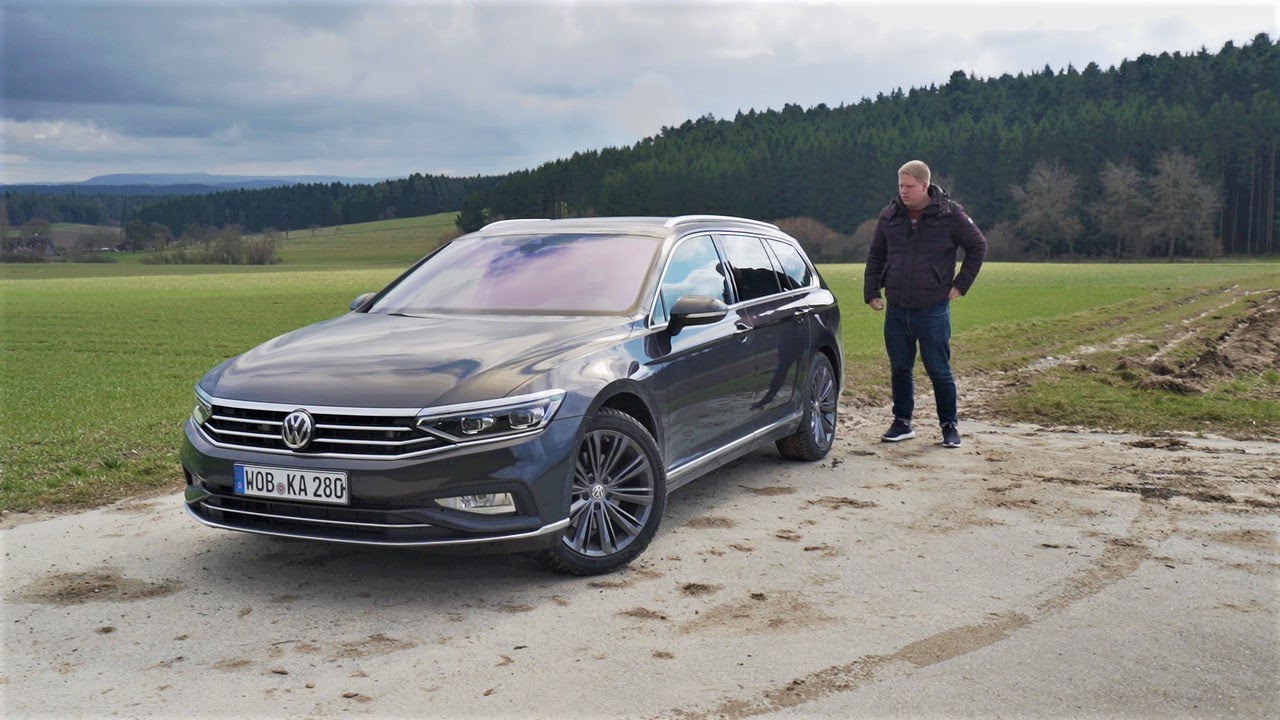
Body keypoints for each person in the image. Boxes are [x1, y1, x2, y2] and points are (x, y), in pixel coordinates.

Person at [863, 160, 987, 447]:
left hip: (932, 309)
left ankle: (949, 426)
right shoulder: (890, 215)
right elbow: (876, 255)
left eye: (909, 187)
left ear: (924, 185)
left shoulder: (949, 214)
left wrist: (961, 285)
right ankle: (902, 422)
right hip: (896, 308)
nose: (903, 192)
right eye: (900, 186)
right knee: (900, 368)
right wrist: (872, 291)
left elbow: (978, 246)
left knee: (939, 370)